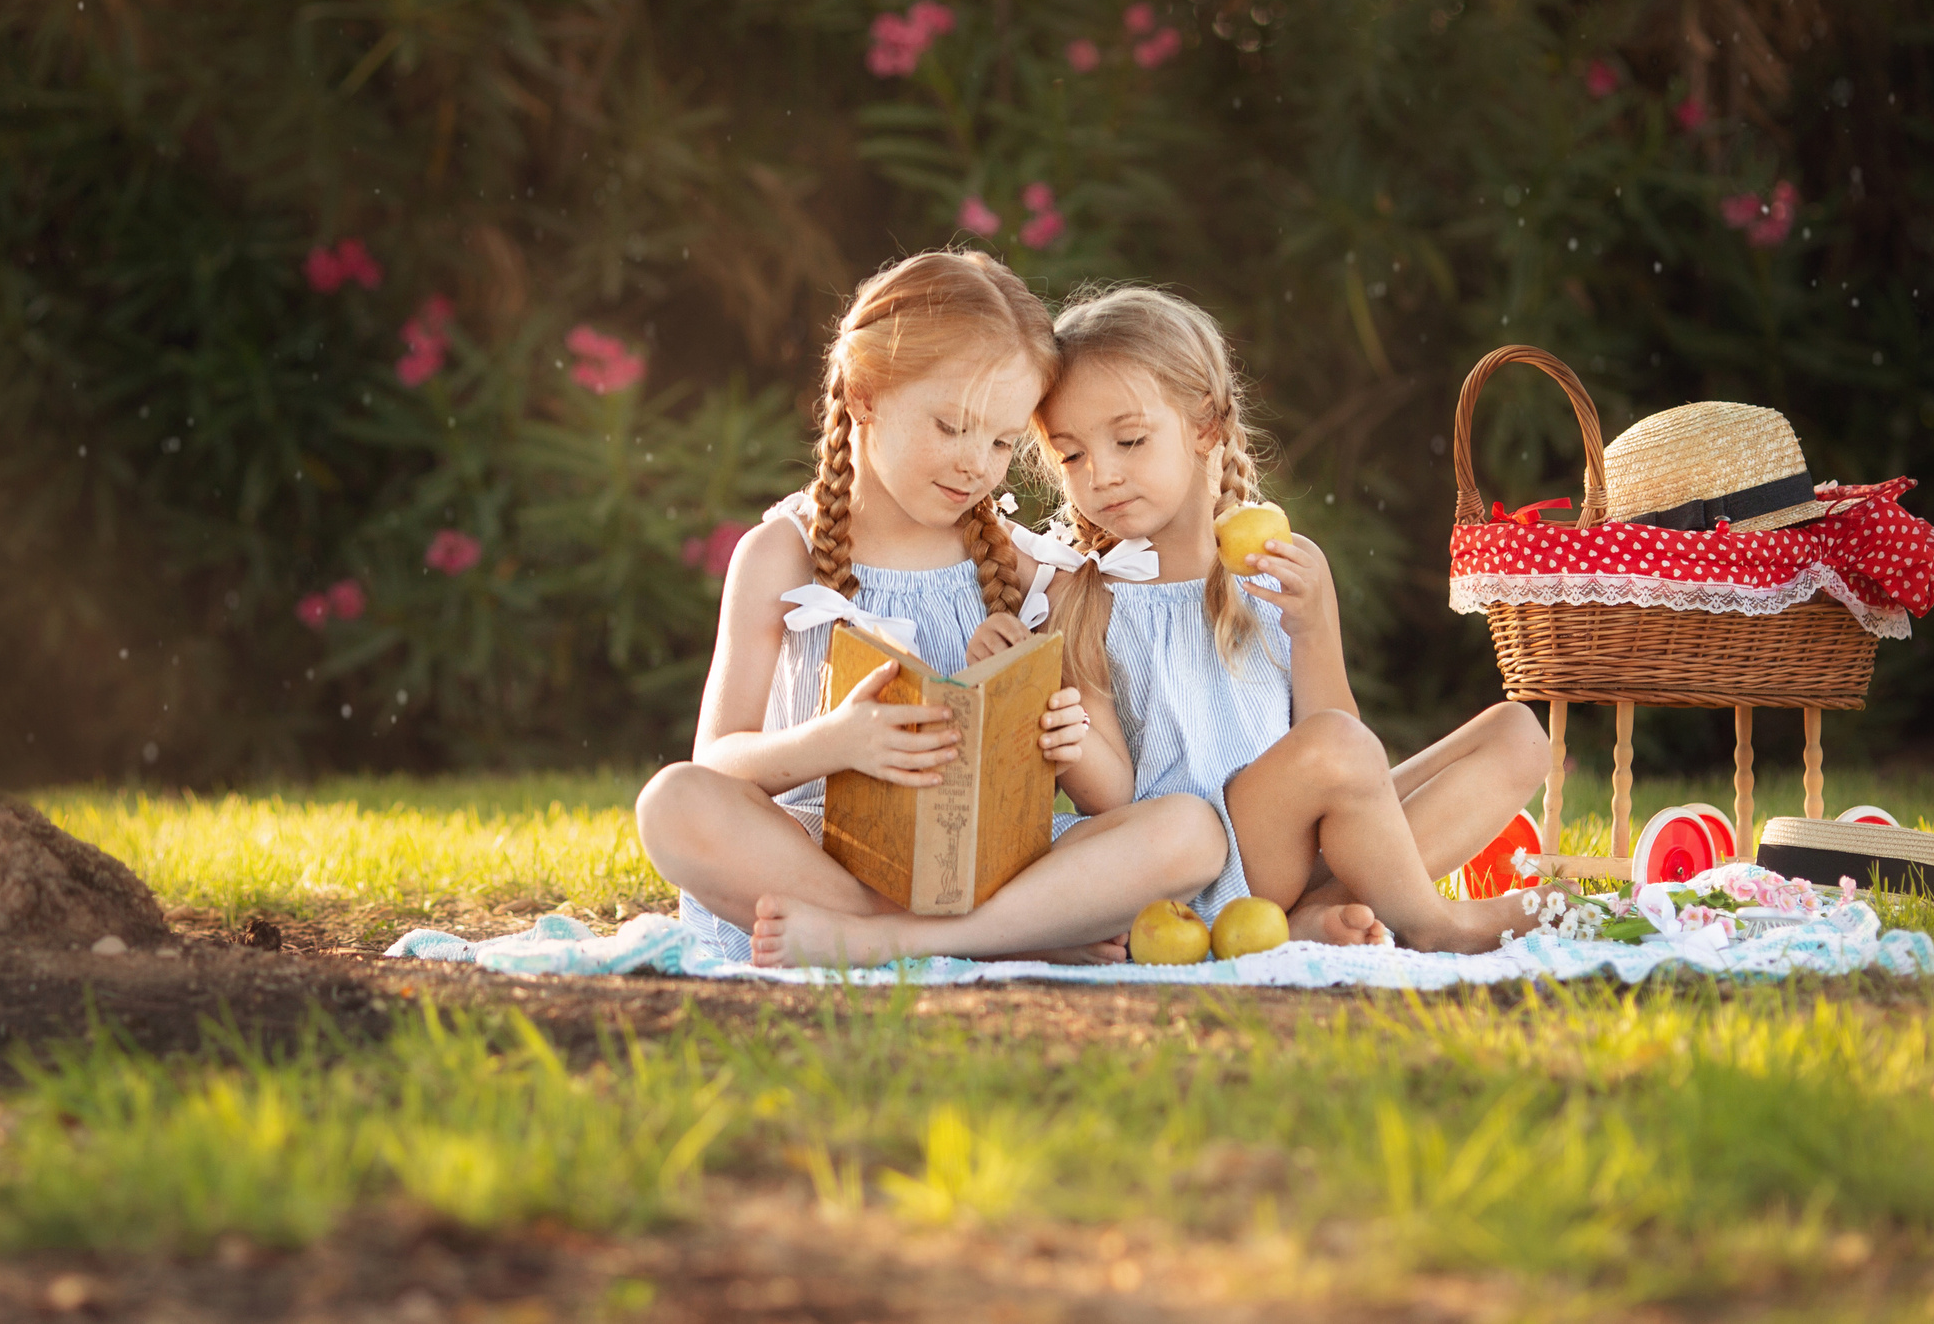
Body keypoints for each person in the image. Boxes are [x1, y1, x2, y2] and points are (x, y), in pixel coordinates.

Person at [636, 252, 1227, 968]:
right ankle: (985, 937)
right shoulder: (779, 556)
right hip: (818, 862)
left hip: (992, 870)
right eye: (952, 425)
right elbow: (719, 760)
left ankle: (897, 942)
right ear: (864, 394)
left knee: (1192, 830)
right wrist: (836, 742)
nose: (977, 463)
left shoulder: (1034, 570)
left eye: (1004, 440)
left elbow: (1112, 792)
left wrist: (1052, 720)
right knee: (672, 802)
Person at [992, 284, 1552, 953]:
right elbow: (1110, 803)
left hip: (1302, 838)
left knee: (1519, 733)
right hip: (1193, 866)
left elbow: (1351, 750)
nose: (1102, 474)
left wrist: (1314, 628)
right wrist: (1056, 724)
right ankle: (1434, 922)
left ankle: (1299, 921)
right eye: (1073, 455)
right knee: (1336, 754)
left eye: (1130, 439)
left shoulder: (1274, 568)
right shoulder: (1083, 596)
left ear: (1204, 426)